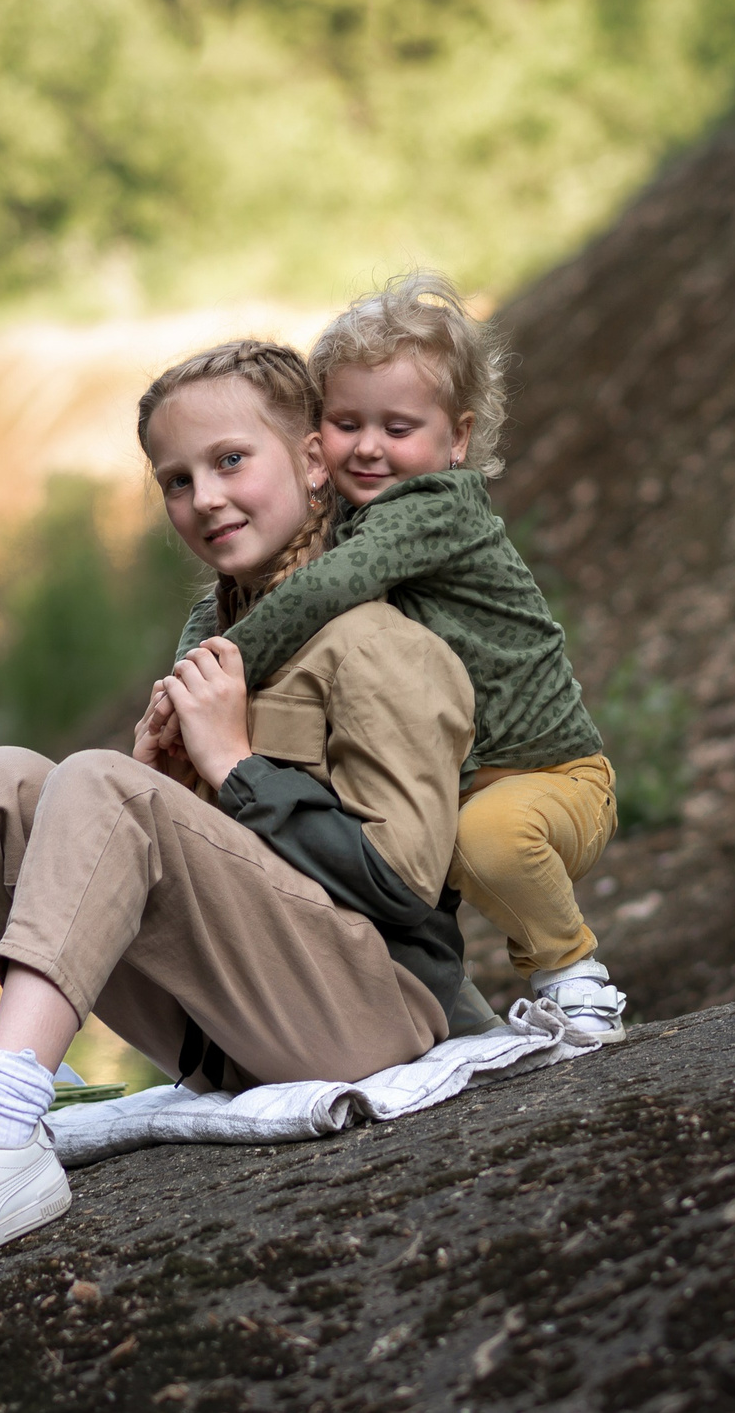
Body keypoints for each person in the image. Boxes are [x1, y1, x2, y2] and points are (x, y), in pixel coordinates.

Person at [0, 340, 495, 1286]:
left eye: (229, 460)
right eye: (175, 479)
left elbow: (404, 885)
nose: (204, 498)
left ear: (311, 461)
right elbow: (238, 880)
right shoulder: (228, 646)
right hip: (242, 1022)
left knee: (97, 782)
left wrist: (235, 765)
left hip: (370, 1020)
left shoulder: (381, 643)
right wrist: (170, 788)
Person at [152, 272, 628, 1039]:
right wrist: (188, 671)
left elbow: (323, 590)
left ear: (458, 438)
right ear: (317, 434)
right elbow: (220, 602)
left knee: (491, 840)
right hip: (450, 779)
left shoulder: (434, 506)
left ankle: (572, 972)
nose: (369, 447)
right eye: (346, 422)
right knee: (386, 850)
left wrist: (212, 682)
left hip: (546, 774)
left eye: (398, 426)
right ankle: (453, 1016)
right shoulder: (343, 511)